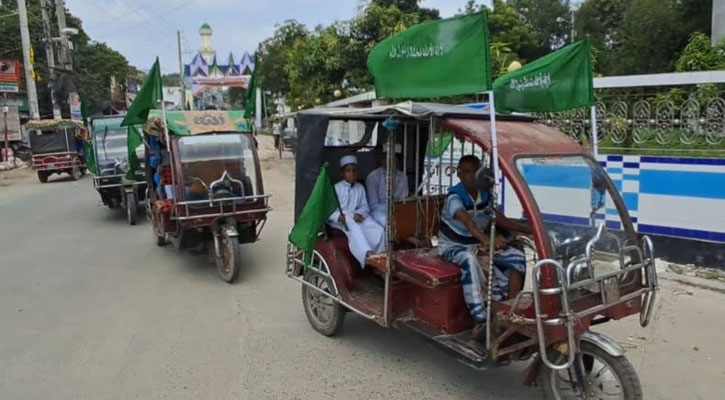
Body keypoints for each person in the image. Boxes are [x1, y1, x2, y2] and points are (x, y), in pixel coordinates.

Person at [438, 155, 530, 340]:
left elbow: (500, 219)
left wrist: (532, 228)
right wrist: (487, 240)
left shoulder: (485, 195)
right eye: (466, 172)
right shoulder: (454, 197)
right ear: (459, 174)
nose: (471, 176)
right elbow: (469, 223)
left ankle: (509, 310)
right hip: (453, 246)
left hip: (477, 243)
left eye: (475, 171)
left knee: (516, 256)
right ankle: (480, 318)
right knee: (468, 260)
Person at [328, 155, 386, 268]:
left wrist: (360, 213)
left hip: (357, 217)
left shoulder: (360, 187)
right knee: (355, 228)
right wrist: (339, 217)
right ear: (342, 173)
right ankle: (367, 255)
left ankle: (381, 255)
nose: (352, 174)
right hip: (341, 220)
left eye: (354, 171)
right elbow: (328, 211)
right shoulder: (335, 188)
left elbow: (365, 206)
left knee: (377, 229)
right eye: (348, 171)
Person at [365, 150, 408, 225]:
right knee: (387, 222)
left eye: (394, 157)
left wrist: (396, 210)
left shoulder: (402, 177)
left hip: (398, 210)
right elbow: (373, 205)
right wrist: (389, 209)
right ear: (382, 160)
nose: (390, 160)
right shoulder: (373, 177)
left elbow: (403, 199)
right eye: (387, 157)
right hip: (378, 212)